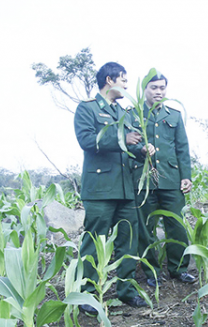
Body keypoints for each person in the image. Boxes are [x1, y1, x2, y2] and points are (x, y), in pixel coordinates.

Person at [74, 61, 155, 311]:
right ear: (109, 80)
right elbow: (87, 140)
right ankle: (87, 295)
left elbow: (130, 147)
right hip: (100, 189)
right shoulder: (87, 109)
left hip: (125, 189)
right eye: (124, 80)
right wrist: (122, 139)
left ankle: (126, 291)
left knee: (128, 242)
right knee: (94, 242)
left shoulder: (123, 113)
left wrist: (142, 150)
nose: (127, 85)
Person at [131, 72, 196, 287]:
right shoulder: (133, 114)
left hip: (171, 178)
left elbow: (182, 147)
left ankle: (179, 269)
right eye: (154, 88)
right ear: (144, 90)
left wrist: (186, 176)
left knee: (176, 224)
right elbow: (127, 145)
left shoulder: (174, 115)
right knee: (146, 226)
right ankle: (152, 272)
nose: (159, 92)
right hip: (144, 179)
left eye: (162, 88)